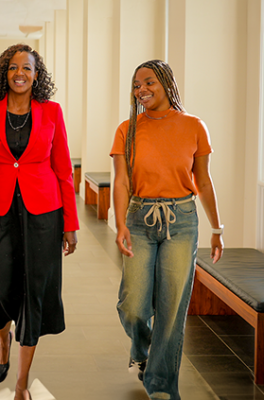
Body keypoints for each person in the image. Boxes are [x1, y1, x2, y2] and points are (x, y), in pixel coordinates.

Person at [0, 43, 79, 400]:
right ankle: (2, 342)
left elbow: (63, 168)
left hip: (44, 212)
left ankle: (22, 383)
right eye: (13, 67)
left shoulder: (52, 112)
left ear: (36, 75)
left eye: (27, 68)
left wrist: (71, 223)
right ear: (4, 72)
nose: (20, 74)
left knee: (33, 293)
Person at [110, 59, 224, 400]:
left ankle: (160, 385)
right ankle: (143, 350)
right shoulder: (127, 129)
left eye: (149, 82)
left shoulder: (193, 126)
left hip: (183, 219)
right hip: (139, 219)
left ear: (167, 83)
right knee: (133, 306)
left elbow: (203, 181)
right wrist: (119, 225)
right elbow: (120, 182)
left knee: (171, 307)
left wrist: (217, 228)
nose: (141, 90)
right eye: (136, 85)